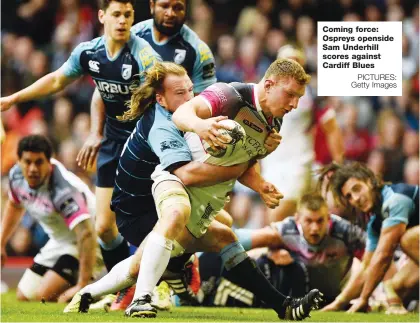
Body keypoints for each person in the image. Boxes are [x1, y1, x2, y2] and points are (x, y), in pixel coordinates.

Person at [65, 61, 323, 321]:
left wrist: (260, 185)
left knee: (221, 235)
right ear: (269, 85)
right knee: (177, 213)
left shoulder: (273, 123)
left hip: (204, 194)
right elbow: (183, 116)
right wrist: (200, 126)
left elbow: (244, 162)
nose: (294, 104)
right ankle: (145, 297)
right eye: (290, 95)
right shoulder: (229, 94)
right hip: (173, 180)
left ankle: (88, 293)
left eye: (299, 98)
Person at [0, 0, 161, 274]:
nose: (122, 21)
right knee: (104, 227)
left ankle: (155, 282)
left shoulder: (144, 56)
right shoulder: (89, 53)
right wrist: (15, 98)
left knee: (145, 222)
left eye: (128, 15)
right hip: (112, 142)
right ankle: (119, 282)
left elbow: (166, 92)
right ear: (102, 16)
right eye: (116, 15)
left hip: (144, 143)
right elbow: (56, 80)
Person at [0, 135, 102, 302]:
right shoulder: (16, 176)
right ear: (19, 161)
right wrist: (1, 242)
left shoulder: (63, 189)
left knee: (45, 296)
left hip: (89, 240)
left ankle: (96, 293)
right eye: (27, 162)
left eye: (39, 162)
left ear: (50, 162)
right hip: (59, 242)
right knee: (24, 296)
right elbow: (14, 205)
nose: (32, 168)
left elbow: (86, 234)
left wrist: (82, 284)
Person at [260, 45, 344, 223]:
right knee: (277, 215)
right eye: (285, 62)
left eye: (296, 62)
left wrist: (338, 164)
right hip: (272, 162)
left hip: (299, 162)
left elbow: (331, 126)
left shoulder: (311, 92)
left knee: (280, 211)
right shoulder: (264, 90)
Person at [233, 192, 366, 304]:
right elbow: (241, 239)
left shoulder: (346, 232)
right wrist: (272, 252)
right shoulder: (286, 230)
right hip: (302, 296)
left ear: (328, 218)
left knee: (362, 265)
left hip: (341, 295)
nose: (315, 228)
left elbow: (380, 252)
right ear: (297, 219)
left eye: (320, 221)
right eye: (309, 221)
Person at [320, 162, 419, 313]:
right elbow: (367, 266)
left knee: (408, 239)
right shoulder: (374, 223)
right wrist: (338, 302)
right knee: (396, 287)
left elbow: (383, 255)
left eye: (357, 189)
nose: (356, 199)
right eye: (349, 197)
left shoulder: (396, 199)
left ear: (370, 181)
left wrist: (364, 298)